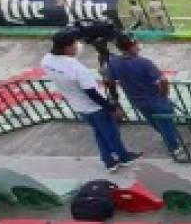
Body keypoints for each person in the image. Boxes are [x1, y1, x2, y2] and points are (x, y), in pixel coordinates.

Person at [42, 29, 139, 172]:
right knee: (111, 133)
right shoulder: (76, 68)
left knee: (99, 133)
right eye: (74, 44)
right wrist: (112, 108)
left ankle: (109, 161)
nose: (77, 46)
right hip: (95, 107)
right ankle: (123, 156)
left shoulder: (46, 60)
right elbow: (92, 93)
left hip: (78, 106)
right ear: (67, 47)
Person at [106, 33, 183, 159]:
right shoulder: (144, 63)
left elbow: (110, 81)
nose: (138, 46)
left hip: (138, 101)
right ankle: (174, 147)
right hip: (156, 100)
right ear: (131, 46)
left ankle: (169, 139)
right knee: (166, 123)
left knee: (156, 122)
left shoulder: (114, 63)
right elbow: (163, 80)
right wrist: (163, 94)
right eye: (135, 44)